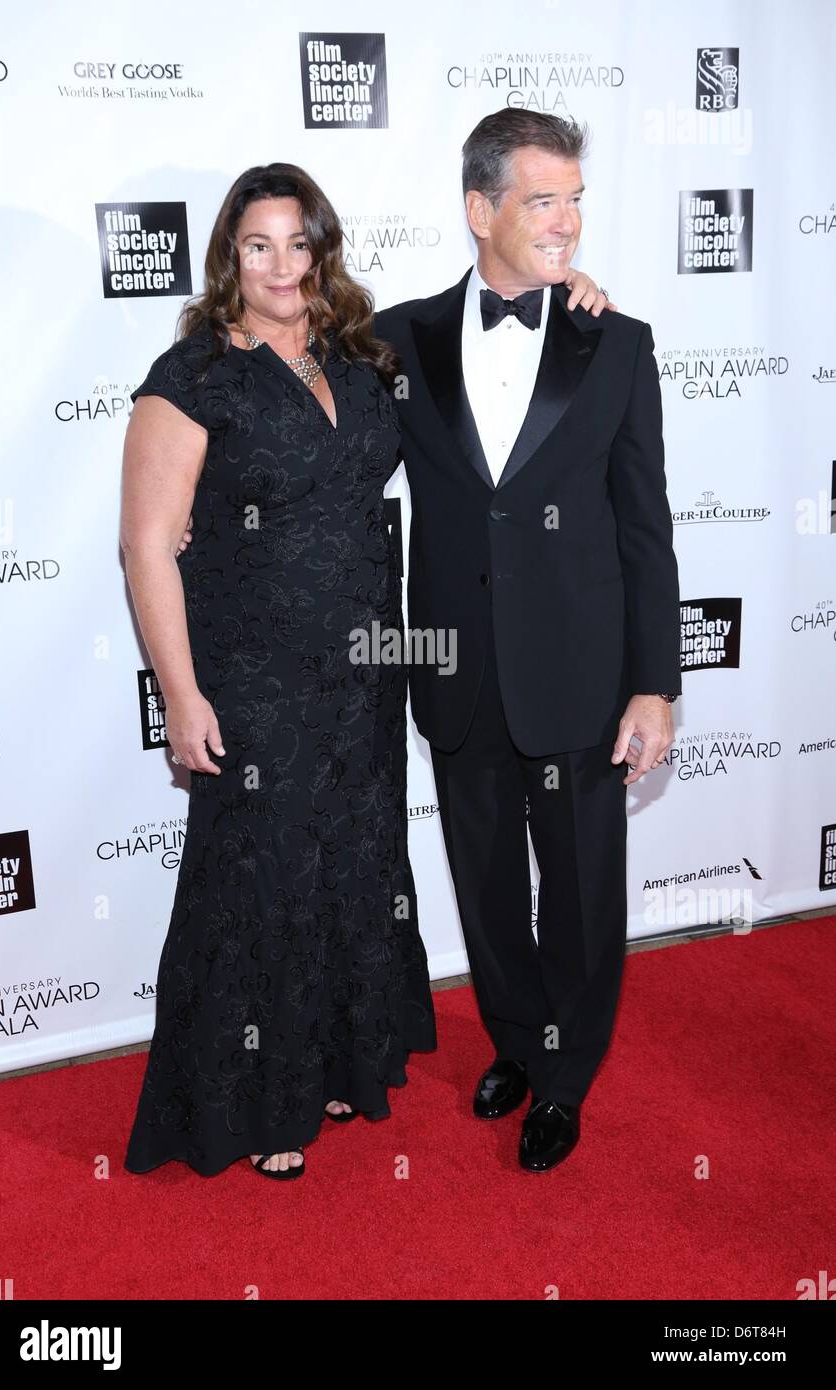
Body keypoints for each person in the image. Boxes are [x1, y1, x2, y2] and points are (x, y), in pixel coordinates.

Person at [373, 109, 682, 1173]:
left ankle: (564, 1074)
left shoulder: (617, 341)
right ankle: (513, 1036)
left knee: (582, 886)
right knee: (487, 880)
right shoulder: (398, 337)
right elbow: (316, 437)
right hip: (453, 667)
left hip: (581, 669)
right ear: (479, 209)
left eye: (574, 200)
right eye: (541, 199)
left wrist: (654, 685)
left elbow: (645, 524)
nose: (565, 222)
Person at [120, 163, 440, 1179]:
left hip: (363, 671)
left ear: (323, 249)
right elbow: (145, 545)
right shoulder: (195, 376)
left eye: (298, 242)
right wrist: (181, 694)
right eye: (257, 245)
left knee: (352, 868)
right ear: (229, 257)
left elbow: (477, 320)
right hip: (255, 678)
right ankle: (259, 1104)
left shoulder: (361, 356)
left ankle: (340, 1063)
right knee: (259, 883)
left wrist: (572, 293)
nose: (279, 265)